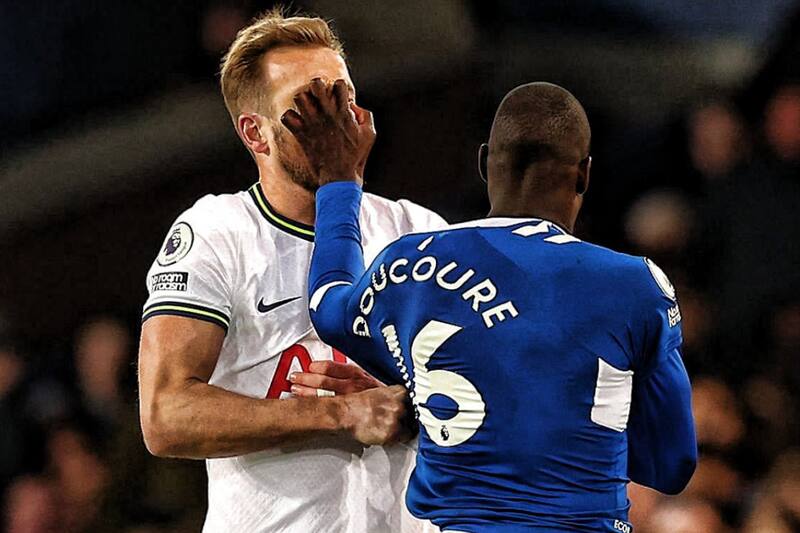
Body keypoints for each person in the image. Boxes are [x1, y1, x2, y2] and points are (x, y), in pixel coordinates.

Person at [288, 81, 697, 531]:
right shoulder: (634, 284)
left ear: (484, 163)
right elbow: (671, 465)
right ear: (583, 174)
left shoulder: (408, 266)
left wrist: (338, 179)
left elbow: (328, 303)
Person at [137, 9, 446, 533]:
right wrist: (339, 415)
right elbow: (165, 415)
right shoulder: (219, 230)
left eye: (343, 97)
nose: (338, 123)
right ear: (255, 134)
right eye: (311, 105)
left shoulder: (417, 231)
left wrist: (409, 401)